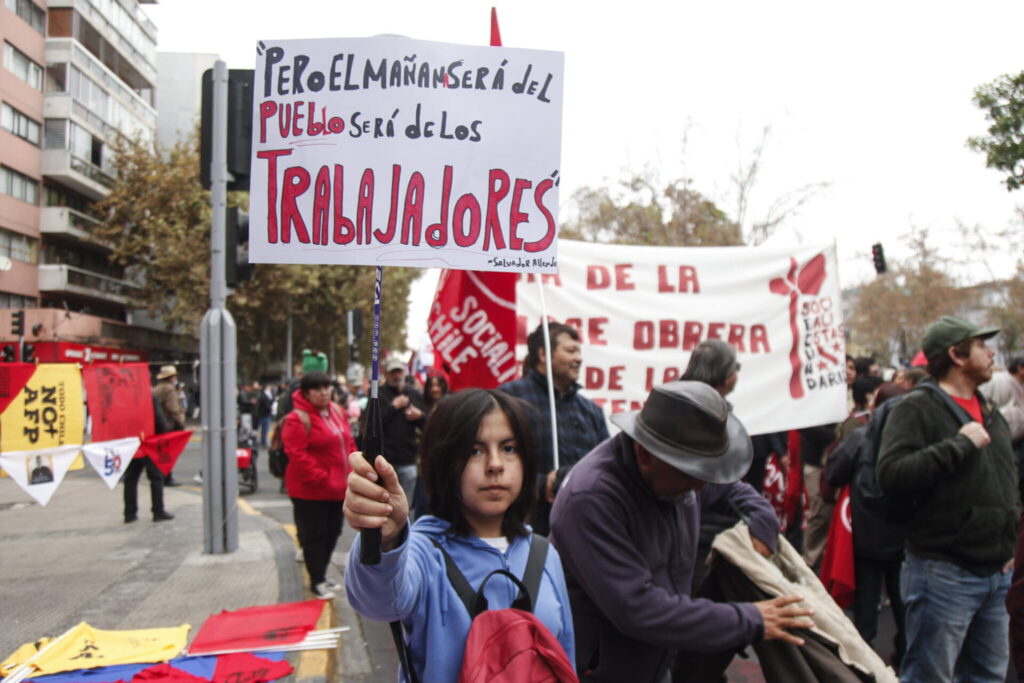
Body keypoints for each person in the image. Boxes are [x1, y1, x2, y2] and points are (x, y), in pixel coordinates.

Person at [550, 381, 813, 682]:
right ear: (645, 454)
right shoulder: (592, 499)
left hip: (658, 662)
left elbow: (731, 490)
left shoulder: (678, 470)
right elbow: (639, 609)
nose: (701, 487)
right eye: (692, 474)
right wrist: (750, 619)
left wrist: (762, 522)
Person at [344, 389, 575, 682]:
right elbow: (377, 601)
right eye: (475, 451)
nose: (495, 464)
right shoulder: (423, 552)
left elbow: (565, 659)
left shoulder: (545, 554)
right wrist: (386, 539)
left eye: (509, 448)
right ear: (444, 460)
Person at [877, 316, 1016, 682]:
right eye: (981, 345)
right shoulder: (916, 408)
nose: (991, 352)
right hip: (945, 574)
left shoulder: (987, 408)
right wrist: (959, 445)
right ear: (956, 354)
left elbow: (1002, 476)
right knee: (930, 676)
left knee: (988, 675)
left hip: (996, 571)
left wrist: (1007, 539)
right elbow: (892, 474)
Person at [825, 381, 909, 669]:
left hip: (864, 537)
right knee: (905, 605)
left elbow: (833, 473)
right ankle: (903, 657)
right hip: (905, 539)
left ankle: (864, 665)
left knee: (866, 606)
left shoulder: (859, 439)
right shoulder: (912, 440)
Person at [499, 322, 609, 535]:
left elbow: (606, 469)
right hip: (523, 532)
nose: (579, 358)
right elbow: (492, 466)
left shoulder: (591, 411)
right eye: (570, 350)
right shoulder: (508, 400)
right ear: (544, 354)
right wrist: (541, 486)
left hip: (582, 532)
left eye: (579, 351)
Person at [282, 371, 356, 599]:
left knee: (333, 532)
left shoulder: (337, 411)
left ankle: (322, 575)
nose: (324, 392)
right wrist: (322, 478)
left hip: (338, 489)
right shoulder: (297, 419)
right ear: (307, 393)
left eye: (327, 387)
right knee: (315, 536)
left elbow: (349, 443)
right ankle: (317, 580)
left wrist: (354, 469)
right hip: (311, 492)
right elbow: (297, 454)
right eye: (318, 389)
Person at [375, 356, 427, 512]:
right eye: (393, 372)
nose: (396, 376)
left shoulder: (413, 394)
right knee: (383, 505)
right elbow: (372, 424)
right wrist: (393, 407)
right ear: (386, 374)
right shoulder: (378, 395)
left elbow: (427, 424)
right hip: (384, 460)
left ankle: (404, 535)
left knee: (405, 506)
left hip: (407, 459)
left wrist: (420, 416)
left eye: (399, 372)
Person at [123, 391, 174, 523]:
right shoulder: (148, 396)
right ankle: (158, 511)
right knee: (156, 477)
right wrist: (163, 433)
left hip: (132, 441)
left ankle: (129, 513)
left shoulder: (124, 396)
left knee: (130, 479)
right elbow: (159, 419)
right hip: (149, 441)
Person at [153, 365, 185, 487]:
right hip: (169, 424)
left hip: (160, 424)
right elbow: (173, 408)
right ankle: (167, 477)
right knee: (169, 453)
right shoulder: (169, 389)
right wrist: (181, 421)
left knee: (162, 453)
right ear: (171, 377)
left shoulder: (158, 388)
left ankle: (163, 476)